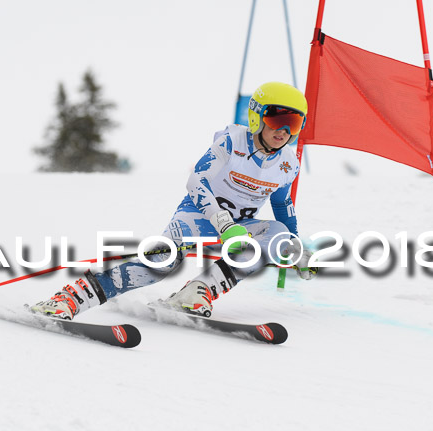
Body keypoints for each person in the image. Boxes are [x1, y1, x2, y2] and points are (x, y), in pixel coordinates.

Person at [31, 82, 315, 319]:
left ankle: (196, 292)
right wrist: (224, 224)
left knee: (278, 236)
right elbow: (196, 181)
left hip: (241, 227)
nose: (284, 131)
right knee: (160, 265)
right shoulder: (231, 141)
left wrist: (296, 246)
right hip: (200, 217)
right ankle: (70, 299)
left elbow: (282, 205)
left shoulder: (287, 163)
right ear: (257, 116)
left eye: (294, 122)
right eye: (277, 119)